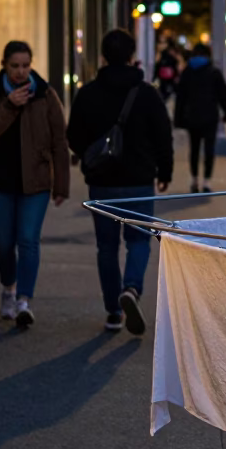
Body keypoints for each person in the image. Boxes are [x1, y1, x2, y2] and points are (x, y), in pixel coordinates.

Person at [67, 28, 173, 335]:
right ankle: (132, 288)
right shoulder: (147, 93)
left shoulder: (87, 93)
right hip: (139, 180)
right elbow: (162, 136)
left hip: (102, 182)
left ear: (102, 56)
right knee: (139, 240)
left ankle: (113, 312)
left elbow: (74, 135)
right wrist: (164, 172)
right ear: (131, 56)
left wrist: (89, 156)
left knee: (106, 247)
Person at [0, 40, 69, 328]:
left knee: (28, 239)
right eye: (15, 66)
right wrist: (9, 107)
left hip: (35, 181)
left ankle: (24, 299)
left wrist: (60, 184)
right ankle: (9, 287)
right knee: (1, 243)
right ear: (4, 65)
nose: (21, 72)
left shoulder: (45, 95)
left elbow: (60, 141)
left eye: (25, 66)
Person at [174, 43, 226, 192]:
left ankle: (194, 180)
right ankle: (206, 181)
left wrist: (178, 117)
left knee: (194, 148)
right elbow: (223, 96)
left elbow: (180, 97)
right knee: (209, 149)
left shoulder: (187, 71)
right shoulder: (214, 72)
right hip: (210, 116)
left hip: (192, 116)